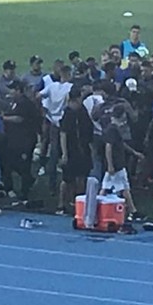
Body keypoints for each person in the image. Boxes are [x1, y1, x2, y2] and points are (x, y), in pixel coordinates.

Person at [102, 105, 146, 228]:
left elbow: (121, 144)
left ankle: (132, 210)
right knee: (122, 188)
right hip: (116, 165)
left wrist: (134, 153)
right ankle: (132, 211)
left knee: (110, 187)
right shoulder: (112, 129)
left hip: (117, 165)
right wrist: (110, 165)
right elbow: (108, 147)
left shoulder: (114, 129)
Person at [1, 80, 39, 206]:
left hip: (25, 141)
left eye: (12, 89)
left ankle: (25, 192)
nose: (10, 91)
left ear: (18, 90)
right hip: (15, 140)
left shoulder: (25, 103)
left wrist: (3, 118)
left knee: (24, 166)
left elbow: (19, 118)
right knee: (11, 163)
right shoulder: (15, 102)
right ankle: (22, 183)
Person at [58, 87, 93, 215]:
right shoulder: (68, 113)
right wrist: (64, 153)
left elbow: (89, 128)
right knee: (67, 179)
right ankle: (62, 204)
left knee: (82, 177)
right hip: (71, 150)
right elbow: (63, 134)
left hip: (82, 149)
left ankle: (79, 202)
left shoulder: (82, 111)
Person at [39, 65, 73, 195]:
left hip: (52, 121)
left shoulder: (52, 86)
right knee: (67, 150)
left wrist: (45, 111)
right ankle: (67, 182)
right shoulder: (70, 87)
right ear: (68, 74)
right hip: (64, 121)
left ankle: (52, 185)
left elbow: (38, 95)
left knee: (53, 153)